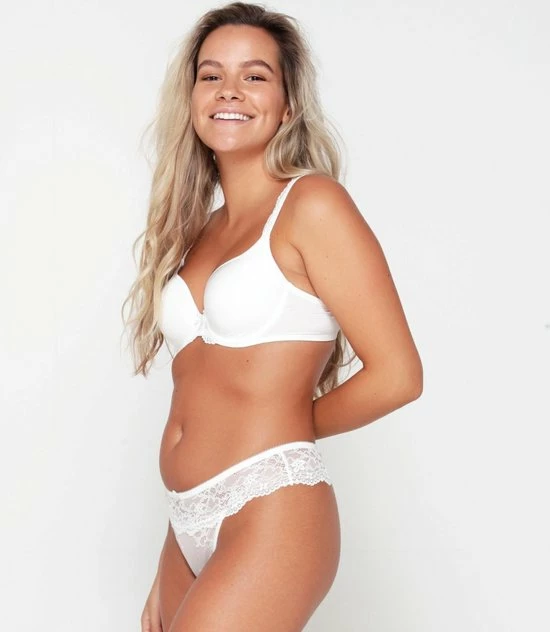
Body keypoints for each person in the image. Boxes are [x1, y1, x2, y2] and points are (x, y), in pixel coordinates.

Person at [122, 2, 423, 630]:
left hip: (271, 504)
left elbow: (398, 375)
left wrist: (279, 432)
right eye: (211, 75)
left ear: (287, 105)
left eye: (254, 76)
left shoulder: (313, 205)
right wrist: (174, 539)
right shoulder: (198, 231)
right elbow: (202, 394)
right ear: (192, 97)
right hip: (186, 516)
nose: (229, 90)